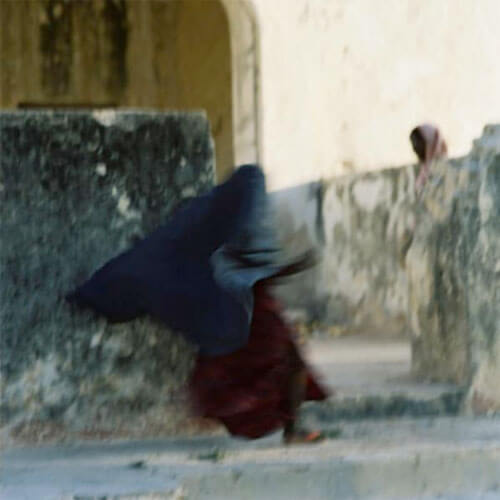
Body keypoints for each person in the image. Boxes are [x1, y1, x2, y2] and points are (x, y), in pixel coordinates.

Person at [67, 164, 328, 443]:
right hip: (244, 318)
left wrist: (288, 266)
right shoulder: (224, 247)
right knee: (280, 367)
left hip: (251, 315)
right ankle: (289, 428)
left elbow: (256, 269)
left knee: (285, 366)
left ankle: (290, 427)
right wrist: (292, 265)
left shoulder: (237, 244)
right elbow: (251, 271)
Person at [409, 124, 447, 193]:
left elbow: (427, 163)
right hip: (422, 135)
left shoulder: (432, 145)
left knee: (427, 163)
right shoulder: (430, 143)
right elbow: (427, 162)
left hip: (424, 136)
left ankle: (421, 181)